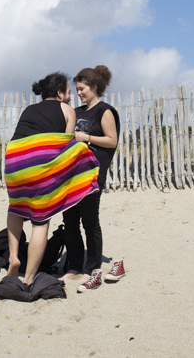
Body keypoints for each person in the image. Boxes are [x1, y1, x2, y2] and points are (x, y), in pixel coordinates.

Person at [4, 72, 99, 285]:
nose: (70, 96)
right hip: (38, 161)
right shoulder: (66, 109)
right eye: (68, 92)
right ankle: (28, 279)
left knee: (15, 209)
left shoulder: (29, 110)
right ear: (59, 92)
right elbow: (63, 144)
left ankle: (13, 257)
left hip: (13, 160)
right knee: (40, 222)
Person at [62, 64, 125, 291]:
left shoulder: (105, 111)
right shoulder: (77, 112)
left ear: (94, 87)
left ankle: (92, 268)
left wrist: (85, 136)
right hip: (71, 174)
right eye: (77, 89)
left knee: (89, 221)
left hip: (92, 173)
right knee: (69, 221)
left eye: (82, 88)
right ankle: (74, 266)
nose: (78, 93)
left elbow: (111, 140)